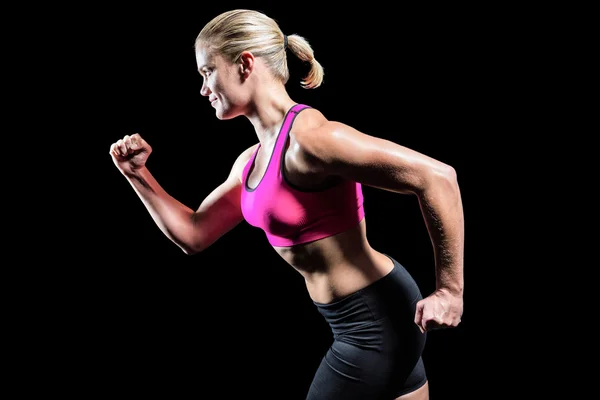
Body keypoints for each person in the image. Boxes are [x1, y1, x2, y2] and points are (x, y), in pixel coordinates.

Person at [109, 9, 464, 400]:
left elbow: (437, 178)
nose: (203, 88)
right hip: (358, 318)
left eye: (207, 71)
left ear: (245, 63)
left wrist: (449, 290)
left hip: (374, 321)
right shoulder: (251, 162)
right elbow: (194, 234)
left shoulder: (311, 141)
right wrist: (137, 174)